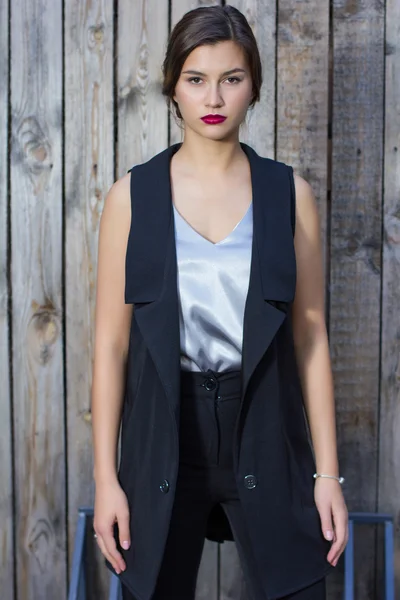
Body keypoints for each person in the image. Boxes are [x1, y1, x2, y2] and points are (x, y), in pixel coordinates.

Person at [91, 5, 348, 600]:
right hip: (163, 430)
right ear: (173, 89)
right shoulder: (130, 199)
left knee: (298, 585)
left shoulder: (290, 197)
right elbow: (110, 346)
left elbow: (309, 340)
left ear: (253, 85)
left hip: (263, 424)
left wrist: (327, 474)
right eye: (196, 79)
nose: (215, 96)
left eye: (232, 78)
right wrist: (107, 478)